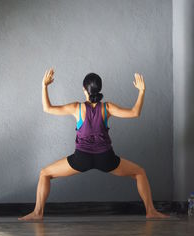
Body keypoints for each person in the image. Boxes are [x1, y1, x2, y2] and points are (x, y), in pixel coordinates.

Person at [18, 68, 170, 221]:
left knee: (45, 173)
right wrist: (142, 91)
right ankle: (150, 211)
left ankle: (37, 213)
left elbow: (47, 108)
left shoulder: (77, 108)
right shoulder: (107, 108)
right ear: (99, 89)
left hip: (81, 159)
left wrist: (44, 86)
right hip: (106, 158)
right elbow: (134, 112)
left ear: (84, 89)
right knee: (140, 173)